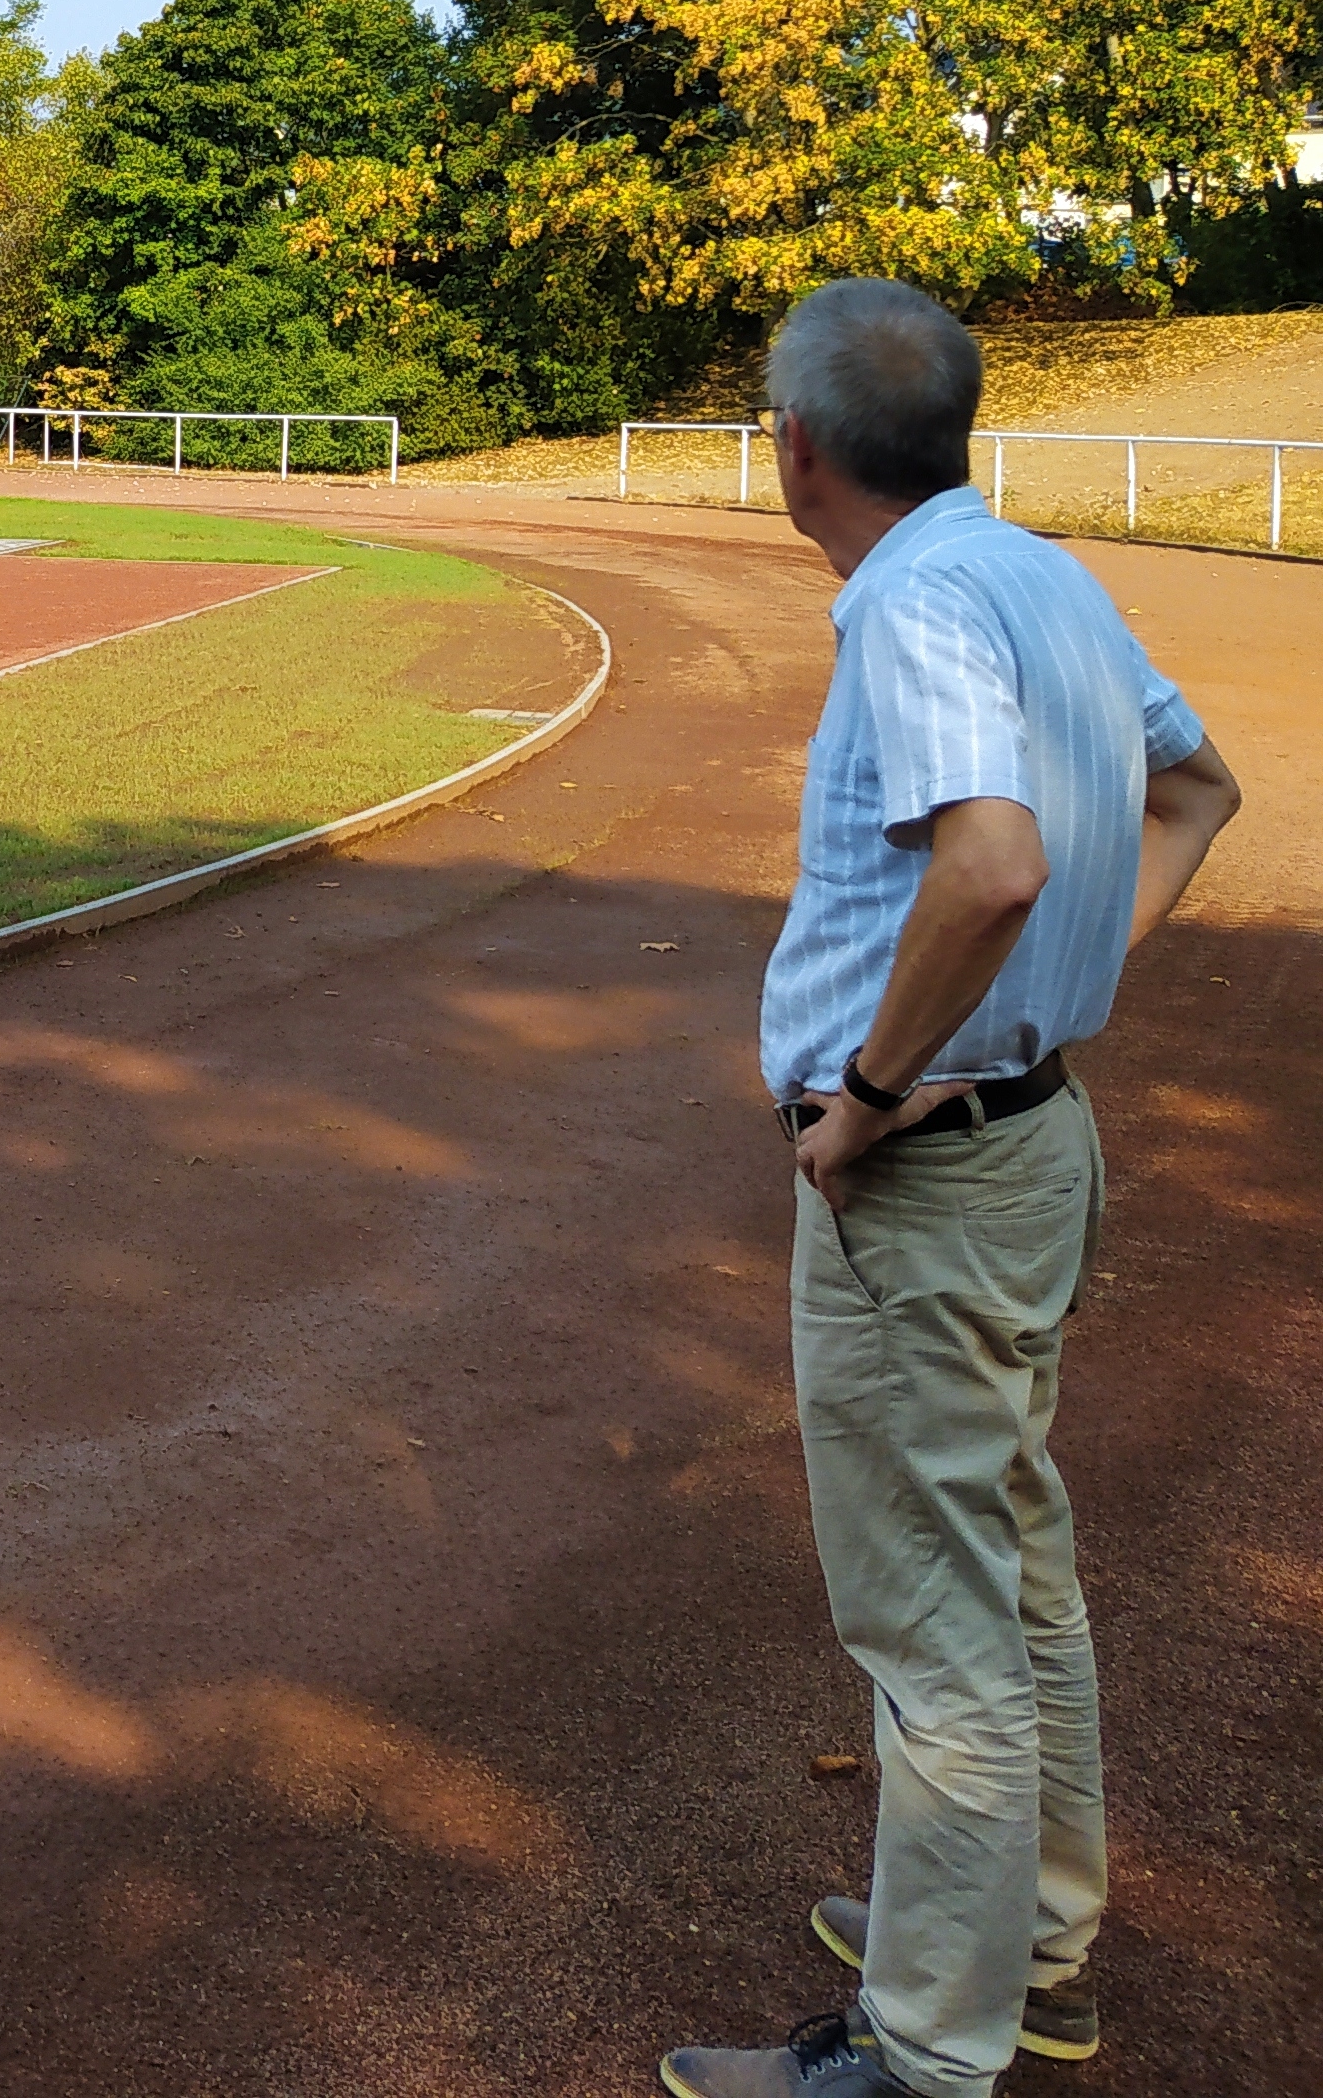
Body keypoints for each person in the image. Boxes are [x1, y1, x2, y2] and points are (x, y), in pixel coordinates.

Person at [662, 281, 1239, 2098]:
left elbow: (990, 867)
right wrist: (1059, 993)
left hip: (927, 1182)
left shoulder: (912, 602)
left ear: (798, 448)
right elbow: (1196, 790)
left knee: (936, 1624)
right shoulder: (1038, 573)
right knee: (1015, 1568)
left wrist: (869, 1097)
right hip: (1031, 1143)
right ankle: (1027, 1949)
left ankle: (922, 2054)